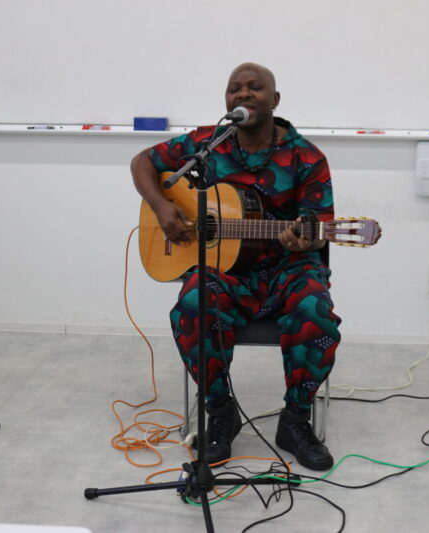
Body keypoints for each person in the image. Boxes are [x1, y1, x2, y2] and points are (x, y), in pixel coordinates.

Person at [130, 63, 340, 471]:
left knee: (315, 311)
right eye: (234, 89)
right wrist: (161, 206)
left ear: (274, 100)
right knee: (192, 305)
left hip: (287, 269)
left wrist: (304, 238)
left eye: (255, 87)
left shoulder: (307, 157)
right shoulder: (207, 144)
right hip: (225, 272)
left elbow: (318, 229)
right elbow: (142, 161)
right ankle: (221, 413)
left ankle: (295, 420)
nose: (243, 94)